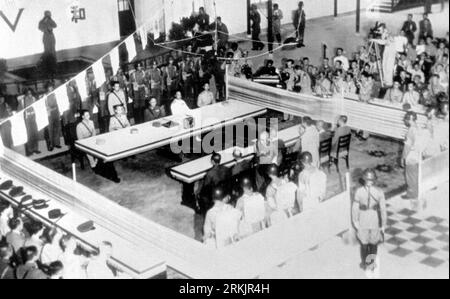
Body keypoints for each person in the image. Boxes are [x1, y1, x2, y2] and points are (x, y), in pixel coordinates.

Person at [352, 169, 387, 279]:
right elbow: (383, 210)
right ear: (374, 180)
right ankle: (371, 263)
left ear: (364, 180)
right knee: (373, 244)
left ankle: (365, 263)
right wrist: (384, 224)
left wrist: (355, 221)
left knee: (364, 244)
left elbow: (355, 207)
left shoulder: (359, 191)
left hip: (362, 219)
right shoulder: (379, 192)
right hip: (374, 219)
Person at [23, 89, 40, 156]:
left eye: (31, 93)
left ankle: (36, 148)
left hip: (34, 118)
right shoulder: (23, 100)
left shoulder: (33, 99)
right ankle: (30, 150)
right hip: (27, 119)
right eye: (28, 93)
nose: (30, 94)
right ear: (26, 93)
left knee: (35, 133)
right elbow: (20, 109)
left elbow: (37, 106)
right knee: (29, 134)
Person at [45, 84, 62, 151]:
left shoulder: (55, 94)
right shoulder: (45, 96)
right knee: (50, 129)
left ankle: (57, 143)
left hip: (56, 112)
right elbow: (45, 105)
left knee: (57, 128)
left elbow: (59, 103)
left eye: (51, 87)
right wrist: (49, 110)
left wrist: (59, 112)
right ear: (47, 88)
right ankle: (51, 145)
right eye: (49, 87)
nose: (51, 88)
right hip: (50, 114)